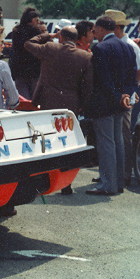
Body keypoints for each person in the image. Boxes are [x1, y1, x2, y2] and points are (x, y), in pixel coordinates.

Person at [25, 25, 93, 195]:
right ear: (76, 39)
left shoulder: (50, 48)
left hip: (49, 100)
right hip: (71, 102)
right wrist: (82, 104)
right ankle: (66, 184)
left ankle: (46, 179)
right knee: (67, 142)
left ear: (61, 37)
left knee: (48, 139)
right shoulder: (85, 56)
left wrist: (49, 34)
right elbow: (88, 86)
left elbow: (28, 43)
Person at [84, 16, 137, 196]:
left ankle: (107, 185)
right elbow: (133, 78)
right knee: (118, 142)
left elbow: (103, 79)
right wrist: (125, 96)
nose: (94, 33)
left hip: (105, 102)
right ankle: (118, 182)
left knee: (106, 144)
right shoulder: (128, 47)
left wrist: (117, 96)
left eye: (95, 30)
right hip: (120, 103)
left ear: (99, 29)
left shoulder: (100, 48)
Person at [107, 9, 140, 186]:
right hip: (113, 97)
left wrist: (130, 93)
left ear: (115, 27)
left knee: (122, 135)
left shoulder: (130, 45)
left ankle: (124, 174)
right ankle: (112, 173)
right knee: (113, 136)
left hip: (122, 98)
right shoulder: (116, 43)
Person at [8, 7, 42, 99]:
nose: (38, 22)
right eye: (37, 20)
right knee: (35, 100)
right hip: (34, 71)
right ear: (29, 21)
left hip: (19, 71)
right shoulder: (36, 33)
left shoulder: (16, 31)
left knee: (23, 99)